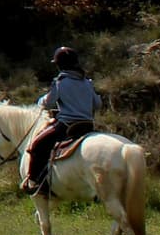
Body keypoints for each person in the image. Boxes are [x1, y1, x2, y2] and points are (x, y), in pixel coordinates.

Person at [22, 45, 101, 193]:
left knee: (38, 145)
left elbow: (49, 102)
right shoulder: (87, 82)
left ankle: (34, 181)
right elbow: (98, 104)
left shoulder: (60, 82)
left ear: (60, 65)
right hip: (87, 125)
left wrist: (41, 101)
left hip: (66, 125)